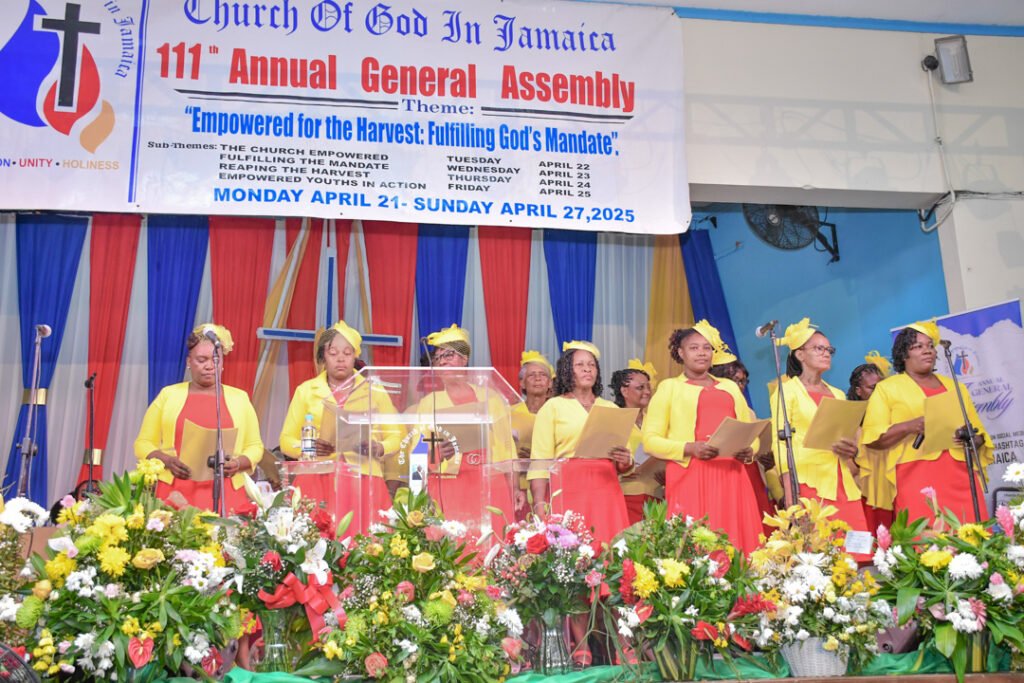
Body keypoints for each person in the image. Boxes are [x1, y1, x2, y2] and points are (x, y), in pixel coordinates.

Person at [528, 340, 632, 668]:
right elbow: (540, 459)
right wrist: (541, 502)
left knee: (614, 563)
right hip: (569, 488)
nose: (587, 369)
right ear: (566, 371)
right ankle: (581, 647)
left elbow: (625, 461)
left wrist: (625, 458)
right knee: (575, 566)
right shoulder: (553, 407)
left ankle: (621, 645)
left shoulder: (612, 409)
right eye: (579, 364)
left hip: (606, 488)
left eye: (592, 364)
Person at [642, 321, 766, 554]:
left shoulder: (729, 387)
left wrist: (750, 450)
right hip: (690, 474)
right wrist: (689, 448)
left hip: (732, 475)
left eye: (707, 348)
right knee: (696, 543)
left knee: (736, 539)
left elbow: (750, 432)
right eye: (694, 348)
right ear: (680, 352)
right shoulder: (669, 388)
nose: (701, 353)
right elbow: (650, 440)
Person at [862, 321, 992, 523]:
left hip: (960, 472)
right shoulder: (887, 388)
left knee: (971, 535)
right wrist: (909, 426)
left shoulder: (955, 386)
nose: (927, 351)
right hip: (915, 473)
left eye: (930, 346)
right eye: (918, 346)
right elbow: (872, 439)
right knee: (925, 539)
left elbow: (980, 435)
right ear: (904, 354)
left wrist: (971, 439)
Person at [278, 320, 399, 526]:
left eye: (347, 353)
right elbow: (286, 441)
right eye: (333, 353)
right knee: (316, 540)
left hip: (363, 475)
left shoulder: (374, 391)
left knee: (366, 542)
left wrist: (378, 447)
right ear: (323, 356)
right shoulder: (306, 390)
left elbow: (396, 436)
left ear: (356, 356)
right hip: (316, 475)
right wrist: (310, 448)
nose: (340, 359)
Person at [135, 324, 262, 514]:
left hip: (227, 490)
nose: (209, 366)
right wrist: (167, 461)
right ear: (189, 361)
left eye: (215, 360)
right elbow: (143, 443)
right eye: (201, 360)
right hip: (175, 490)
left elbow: (255, 446)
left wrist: (236, 464)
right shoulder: (168, 395)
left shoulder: (239, 398)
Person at [770, 318, 869, 558]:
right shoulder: (786, 391)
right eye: (818, 348)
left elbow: (847, 435)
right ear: (799, 355)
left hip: (841, 478)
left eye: (829, 349)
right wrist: (790, 493)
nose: (826, 353)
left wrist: (851, 449)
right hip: (807, 482)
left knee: (858, 549)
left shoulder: (836, 393)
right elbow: (780, 445)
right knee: (821, 553)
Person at [414, 324, 517, 535]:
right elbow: (417, 450)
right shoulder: (429, 402)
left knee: (492, 539)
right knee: (455, 546)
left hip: (490, 479)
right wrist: (434, 455)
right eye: (438, 357)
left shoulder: (492, 398)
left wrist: (514, 487)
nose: (442, 361)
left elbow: (507, 448)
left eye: (449, 355)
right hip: (449, 482)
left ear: (464, 359)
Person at [611, 360, 663, 525]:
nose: (647, 392)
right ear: (624, 391)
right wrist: (623, 467)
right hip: (625, 495)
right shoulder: (614, 418)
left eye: (648, 387)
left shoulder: (656, 421)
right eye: (640, 388)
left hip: (655, 494)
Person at [848, 351, 894, 531]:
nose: (879, 392)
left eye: (883, 386)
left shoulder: (894, 415)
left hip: (896, 487)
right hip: (867, 495)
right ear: (858, 391)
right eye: (873, 388)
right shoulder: (850, 423)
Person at [510, 350, 554, 520]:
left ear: (550, 383)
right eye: (532, 375)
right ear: (521, 383)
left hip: (551, 486)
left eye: (542, 375)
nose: (537, 379)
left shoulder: (558, 412)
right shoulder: (509, 414)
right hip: (518, 488)